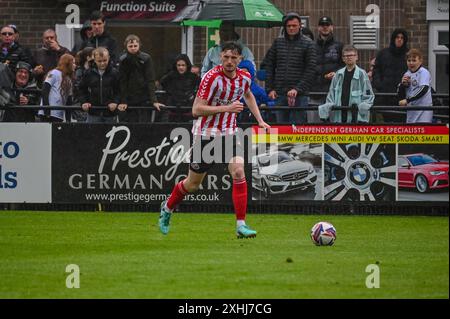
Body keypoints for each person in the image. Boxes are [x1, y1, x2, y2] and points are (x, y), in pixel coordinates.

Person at [159, 42, 270, 238]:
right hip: (205, 134)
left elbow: (248, 94)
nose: (229, 61)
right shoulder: (211, 78)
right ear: (220, 57)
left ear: (240, 60)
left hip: (229, 132)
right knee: (192, 185)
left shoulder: (244, 76)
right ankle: (167, 208)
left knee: (238, 171)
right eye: (226, 57)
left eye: (233, 58)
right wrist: (226, 108)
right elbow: (196, 110)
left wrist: (260, 120)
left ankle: (241, 225)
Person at [262, 12, 317, 124]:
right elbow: (269, 66)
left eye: (294, 25)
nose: (291, 28)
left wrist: (297, 89)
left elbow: (311, 70)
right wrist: (270, 89)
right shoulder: (278, 42)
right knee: (281, 127)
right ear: (285, 27)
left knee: (297, 128)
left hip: (300, 94)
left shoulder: (308, 44)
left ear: (300, 26)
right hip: (280, 92)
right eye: (288, 26)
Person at [318, 45, 374, 123]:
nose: (349, 57)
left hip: (356, 119)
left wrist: (362, 110)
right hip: (339, 117)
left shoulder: (362, 74)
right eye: (346, 56)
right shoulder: (338, 74)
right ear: (343, 59)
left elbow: (368, 96)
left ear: (356, 57)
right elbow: (331, 95)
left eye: (351, 55)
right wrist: (326, 108)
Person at [118, 34, 164, 123]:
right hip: (130, 98)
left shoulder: (146, 58)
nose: (133, 48)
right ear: (126, 46)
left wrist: (154, 100)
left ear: (139, 45)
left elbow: (150, 80)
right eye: (130, 46)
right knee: (131, 123)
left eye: (135, 46)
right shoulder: (123, 60)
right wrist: (123, 101)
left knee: (144, 123)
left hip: (144, 97)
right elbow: (122, 81)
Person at [372, 29, 409, 121]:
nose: (399, 39)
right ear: (393, 39)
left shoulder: (408, 55)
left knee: (401, 124)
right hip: (385, 95)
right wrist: (379, 85)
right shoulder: (383, 53)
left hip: (402, 96)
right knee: (385, 123)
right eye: (397, 37)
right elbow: (376, 70)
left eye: (402, 38)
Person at [78, 47, 119, 123]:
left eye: (105, 60)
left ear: (109, 58)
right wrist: (84, 102)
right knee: (92, 134)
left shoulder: (114, 73)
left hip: (110, 112)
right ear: (94, 59)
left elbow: (119, 90)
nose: (102, 63)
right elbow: (81, 89)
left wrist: (115, 102)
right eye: (99, 61)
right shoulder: (88, 73)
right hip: (93, 111)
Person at [159, 54, 200, 122]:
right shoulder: (170, 76)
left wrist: (192, 95)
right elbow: (163, 82)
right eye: (179, 65)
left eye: (183, 65)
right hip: (173, 109)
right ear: (176, 65)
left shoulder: (193, 77)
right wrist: (171, 92)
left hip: (188, 109)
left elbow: (201, 86)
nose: (181, 67)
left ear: (187, 65)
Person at [397, 49, 433, 123]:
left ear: (420, 61)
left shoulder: (424, 72)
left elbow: (424, 89)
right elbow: (400, 95)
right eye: (409, 60)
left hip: (423, 110)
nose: (411, 63)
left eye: (414, 60)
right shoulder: (407, 74)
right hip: (411, 110)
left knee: (422, 131)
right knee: (412, 132)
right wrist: (402, 85)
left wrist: (408, 100)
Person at [38, 53, 75, 122]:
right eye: (73, 63)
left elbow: (69, 101)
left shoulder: (68, 80)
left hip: (58, 115)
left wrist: (68, 119)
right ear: (67, 63)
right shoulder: (54, 73)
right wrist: (47, 110)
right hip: (48, 113)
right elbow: (45, 90)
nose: (74, 66)